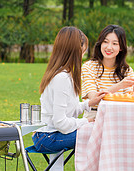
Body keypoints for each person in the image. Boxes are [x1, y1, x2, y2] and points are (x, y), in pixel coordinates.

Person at [32, 27, 106, 157]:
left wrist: (89, 103)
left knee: (99, 131)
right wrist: (86, 122)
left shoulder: (64, 75)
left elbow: (69, 110)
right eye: (83, 51)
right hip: (48, 138)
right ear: (75, 51)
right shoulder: (62, 78)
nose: (83, 55)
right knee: (100, 133)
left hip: (50, 134)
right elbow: (60, 123)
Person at [81, 24, 134, 120]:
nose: (109, 47)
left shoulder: (126, 70)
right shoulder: (88, 67)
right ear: (100, 44)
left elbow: (128, 101)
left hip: (120, 116)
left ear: (121, 47)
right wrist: (120, 85)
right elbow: (93, 98)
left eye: (115, 43)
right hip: (94, 116)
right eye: (105, 42)